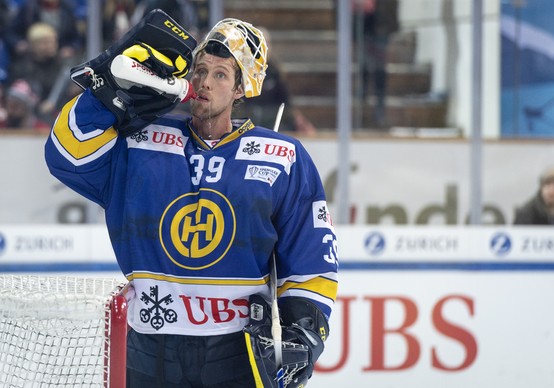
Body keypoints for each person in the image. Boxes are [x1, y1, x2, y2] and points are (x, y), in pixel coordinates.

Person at [45, 15, 338, 387]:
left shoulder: (282, 156)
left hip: (238, 351)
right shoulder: (139, 139)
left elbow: (311, 255)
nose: (203, 83)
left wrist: (305, 328)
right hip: (148, 346)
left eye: (220, 75)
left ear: (240, 89)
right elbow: (65, 154)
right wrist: (107, 95)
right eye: (199, 70)